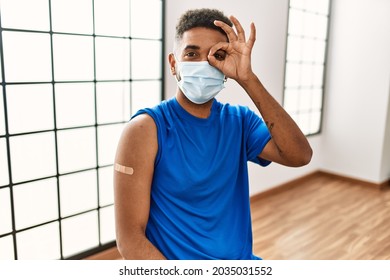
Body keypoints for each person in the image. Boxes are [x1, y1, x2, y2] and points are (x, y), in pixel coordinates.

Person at [114, 8, 312, 260]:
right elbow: (129, 239)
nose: (202, 64)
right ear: (174, 63)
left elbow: (299, 155)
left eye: (216, 55)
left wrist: (248, 79)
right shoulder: (145, 129)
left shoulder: (240, 122)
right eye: (191, 53)